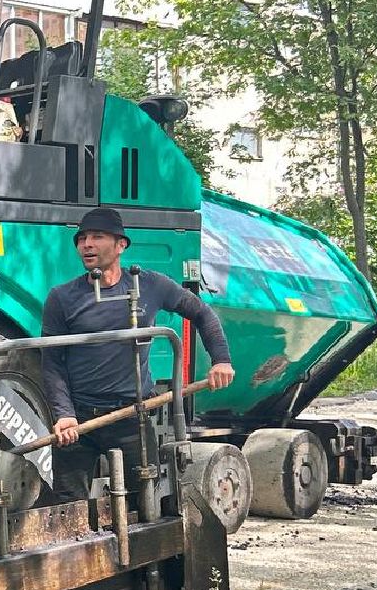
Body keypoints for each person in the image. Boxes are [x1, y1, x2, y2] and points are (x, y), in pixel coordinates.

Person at [42, 206, 235, 502]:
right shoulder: (62, 297)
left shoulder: (150, 284)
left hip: (133, 414)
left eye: (97, 237)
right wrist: (64, 415)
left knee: (146, 503)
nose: (87, 244)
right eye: (81, 239)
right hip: (79, 420)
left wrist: (221, 359)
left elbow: (202, 313)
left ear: (121, 245)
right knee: (68, 508)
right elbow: (52, 362)